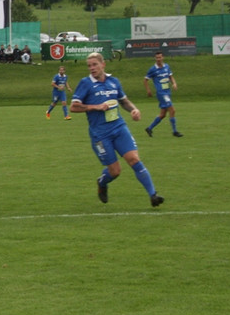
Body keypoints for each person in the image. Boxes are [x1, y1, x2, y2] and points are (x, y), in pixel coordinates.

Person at [70, 52, 163, 207]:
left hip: (119, 128)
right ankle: (102, 182)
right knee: (115, 171)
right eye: (89, 65)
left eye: (94, 64)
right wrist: (95, 107)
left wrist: (134, 109)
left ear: (103, 64)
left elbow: (124, 101)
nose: (92, 68)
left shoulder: (114, 81)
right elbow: (73, 107)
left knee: (134, 159)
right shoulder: (86, 83)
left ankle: (153, 195)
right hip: (100, 135)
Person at [143, 51, 182, 137]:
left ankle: (149, 128)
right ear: (155, 58)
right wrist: (148, 90)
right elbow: (145, 80)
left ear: (163, 57)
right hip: (161, 93)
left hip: (167, 92)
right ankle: (175, 131)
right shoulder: (153, 69)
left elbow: (170, 76)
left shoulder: (166, 66)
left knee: (163, 114)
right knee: (172, 110)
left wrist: (174, 83)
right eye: (157, 58)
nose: (158, 59)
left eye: (160, 57)